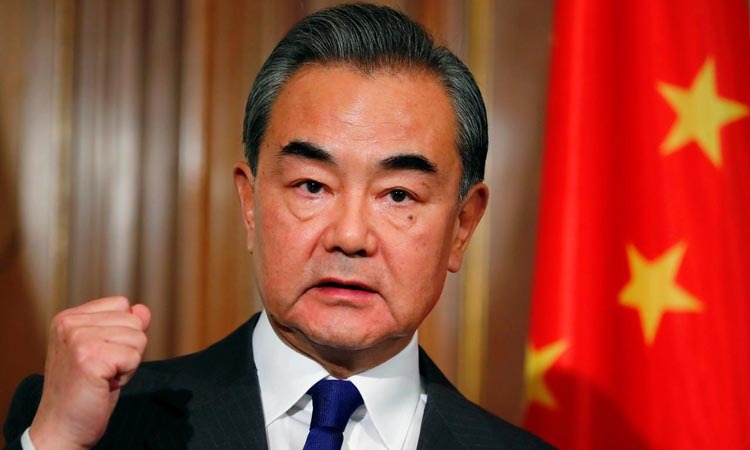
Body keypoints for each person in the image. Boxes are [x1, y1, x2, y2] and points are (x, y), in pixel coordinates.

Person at [4, 4, 550, 450]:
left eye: (398, 195)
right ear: (250, 202)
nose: (349, 237)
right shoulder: (103, 423)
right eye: (312, 186)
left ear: (462, 226)